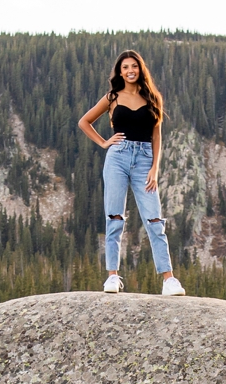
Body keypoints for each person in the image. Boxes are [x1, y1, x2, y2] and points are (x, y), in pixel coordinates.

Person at [78, 50, 185, 295]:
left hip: (145, 158)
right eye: (125, 67)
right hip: (118, 157)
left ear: (140, 69)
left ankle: (168, 279)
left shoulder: (152, 97)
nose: (130, 71)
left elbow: (157, 135)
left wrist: (155, 169)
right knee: (115, 217)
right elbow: (84, 121)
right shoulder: (112, 97)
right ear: (120, 71)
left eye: (134, 66)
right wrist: (104, 142)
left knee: (154, 220)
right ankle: (112, 276)